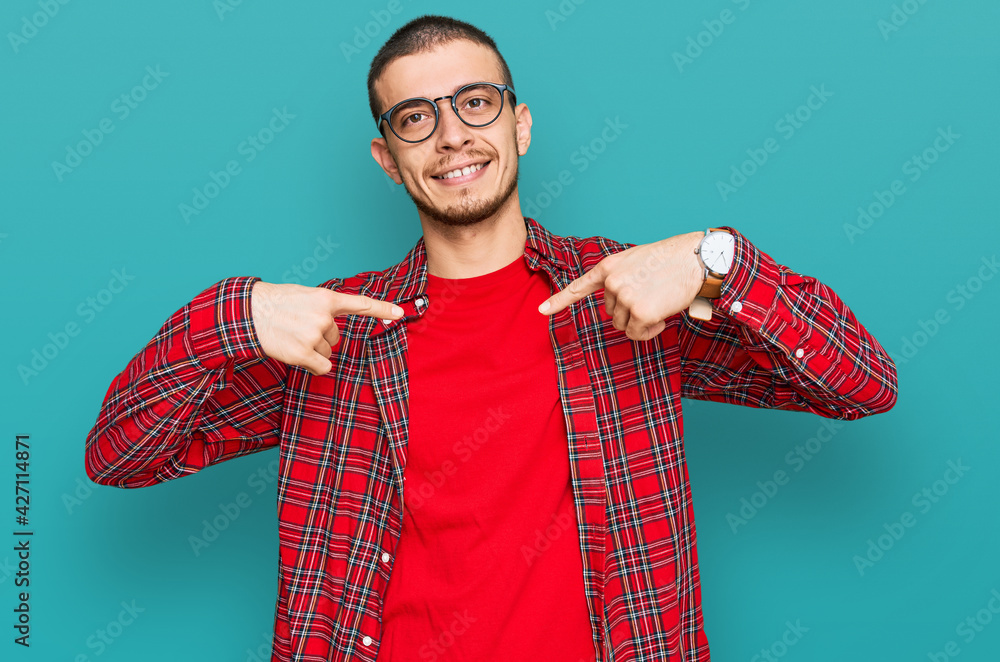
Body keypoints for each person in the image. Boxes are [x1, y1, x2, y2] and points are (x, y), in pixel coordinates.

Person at [84, 14, 898, 662]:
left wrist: (717, 261)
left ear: (521, 123)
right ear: (387, 159)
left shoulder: (631, 295)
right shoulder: (331, 331)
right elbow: (120, 456)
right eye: (416, 117)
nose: (452, 135)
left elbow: (863, 384)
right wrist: (233, 313)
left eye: (476, 102)